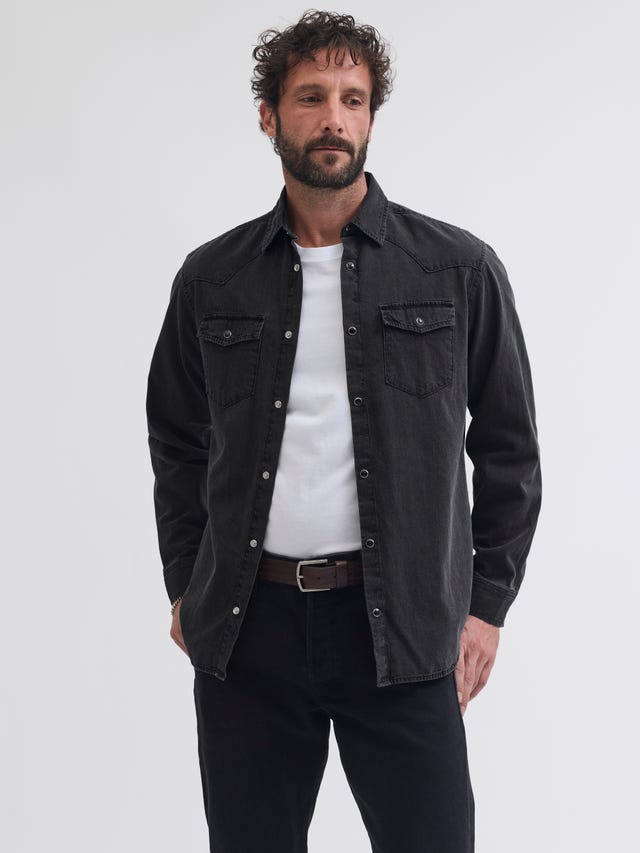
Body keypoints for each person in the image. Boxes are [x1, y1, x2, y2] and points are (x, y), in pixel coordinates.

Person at [146, 10, 542, 853]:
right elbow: (176, 439)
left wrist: (486, 607)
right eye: (311, 97)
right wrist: (186, 583)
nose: (334, 118)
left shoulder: (456, 269)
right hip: (249, 629)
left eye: (352, 100)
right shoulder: (213, 278)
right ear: (269, 116)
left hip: (402, 626)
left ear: (370, 117)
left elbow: (510, 448)